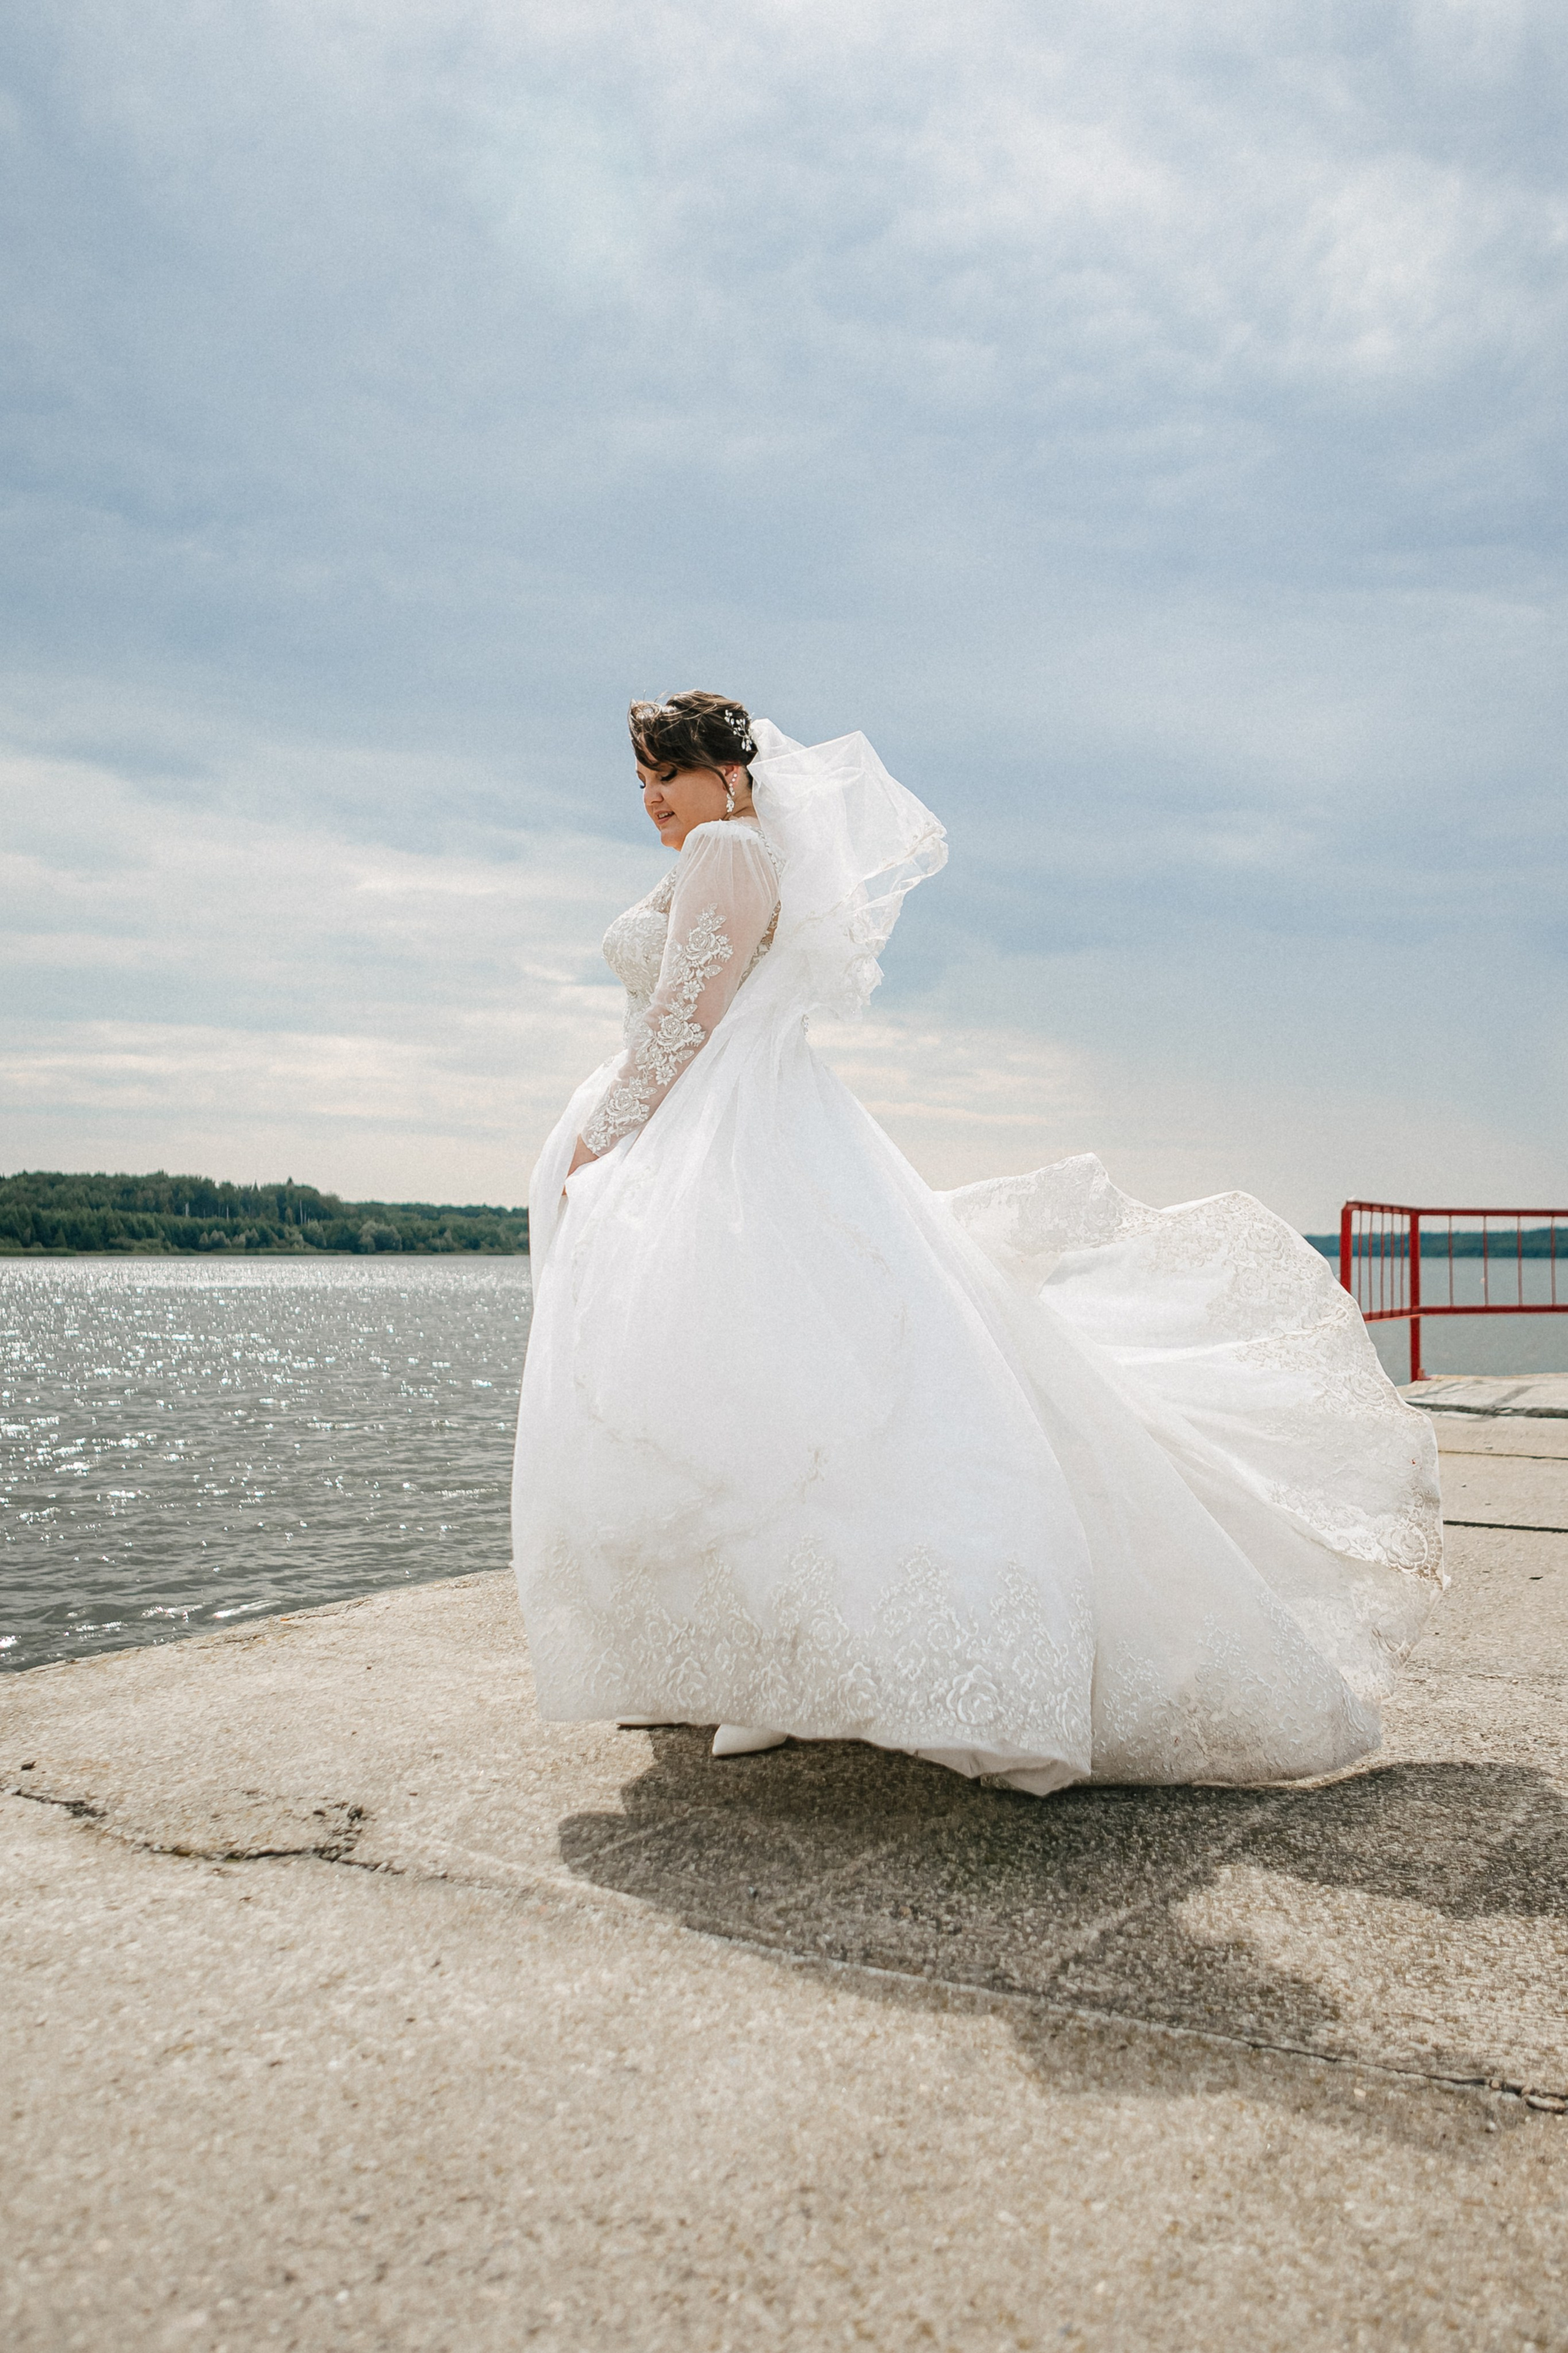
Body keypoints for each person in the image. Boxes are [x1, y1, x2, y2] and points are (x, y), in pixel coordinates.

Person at [511, 693, 1442, 1794]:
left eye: (668, 771)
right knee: (770, 1389)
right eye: (642, 782)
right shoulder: (758, 851)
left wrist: (601, 1147)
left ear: (734, 772)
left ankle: (773, 1667)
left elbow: (686, 1016)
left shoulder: (724, 846)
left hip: (714, 1129)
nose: (654, 798)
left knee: (738, 1389)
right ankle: (761, 1660)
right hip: (753, 1119)